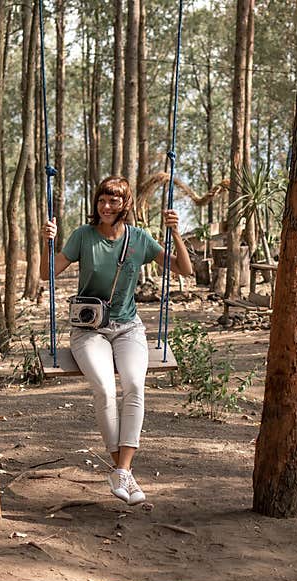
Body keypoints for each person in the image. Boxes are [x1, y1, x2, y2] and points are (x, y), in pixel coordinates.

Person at [40, 175, 193, 505]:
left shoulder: (139, 239)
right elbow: (46, 273)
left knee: (135, 387)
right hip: (88, 331)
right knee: (106, 389)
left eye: (113, 201)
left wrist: (175, 233)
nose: (106, 206)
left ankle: (122, 472)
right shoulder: (83, 236)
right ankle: (123, 473)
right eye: (101, 200)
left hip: (128, 329)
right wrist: (47, 242)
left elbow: (184, 270)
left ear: (126, 205)